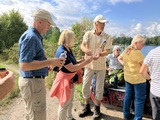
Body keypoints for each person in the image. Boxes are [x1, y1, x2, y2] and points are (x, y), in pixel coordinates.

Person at [18, 9, 65, 120]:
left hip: (32, 81)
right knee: (37, 115)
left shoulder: (34, 36)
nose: (49, 27)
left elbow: (30, 61)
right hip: (32, 83)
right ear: (40, 22)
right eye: (48, 24)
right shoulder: (32, 37)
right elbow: (24, 65)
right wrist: (50, 62)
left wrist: (44, 66)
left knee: (31, 114)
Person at [49, 30, 93, 120]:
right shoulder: (62, 52)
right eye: (73, 38)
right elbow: (71, 68)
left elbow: (72, 62)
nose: (74, 39)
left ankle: (69, 117)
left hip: (70, 79)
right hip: (64, 80)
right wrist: (86, 62)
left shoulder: (68, 49)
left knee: (70, 101)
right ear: (68, 38)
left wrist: (82, 60)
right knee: (64, 103)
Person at [79, 14, 112, 120]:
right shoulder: (88, 34)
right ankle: (87, 107)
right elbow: (82, 45)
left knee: (99, 87)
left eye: (104, 23)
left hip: (101, 65)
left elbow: (107, 51)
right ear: (95, 24)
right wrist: (86, 50)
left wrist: (101, 54)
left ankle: (97, 109)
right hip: (88, 64)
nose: (103, 25)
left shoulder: (107, 37)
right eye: (101, 23)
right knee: (85, 85)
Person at [118, 35, 146, 120]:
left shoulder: (127, 50)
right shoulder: (138, 53)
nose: (143, 46)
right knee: (139, 99)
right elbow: (145, 66)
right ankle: (137, 118)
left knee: (128, 96)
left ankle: (126, 115)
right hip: (138, 80)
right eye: (142, 44)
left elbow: (119, 58)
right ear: (136, 43)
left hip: (128, 78)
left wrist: (125, 64)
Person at [140, 46, 160, 120]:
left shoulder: (153, 52)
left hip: (156, 90)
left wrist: (150, 80)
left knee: (156, 114)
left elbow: (142, 71)